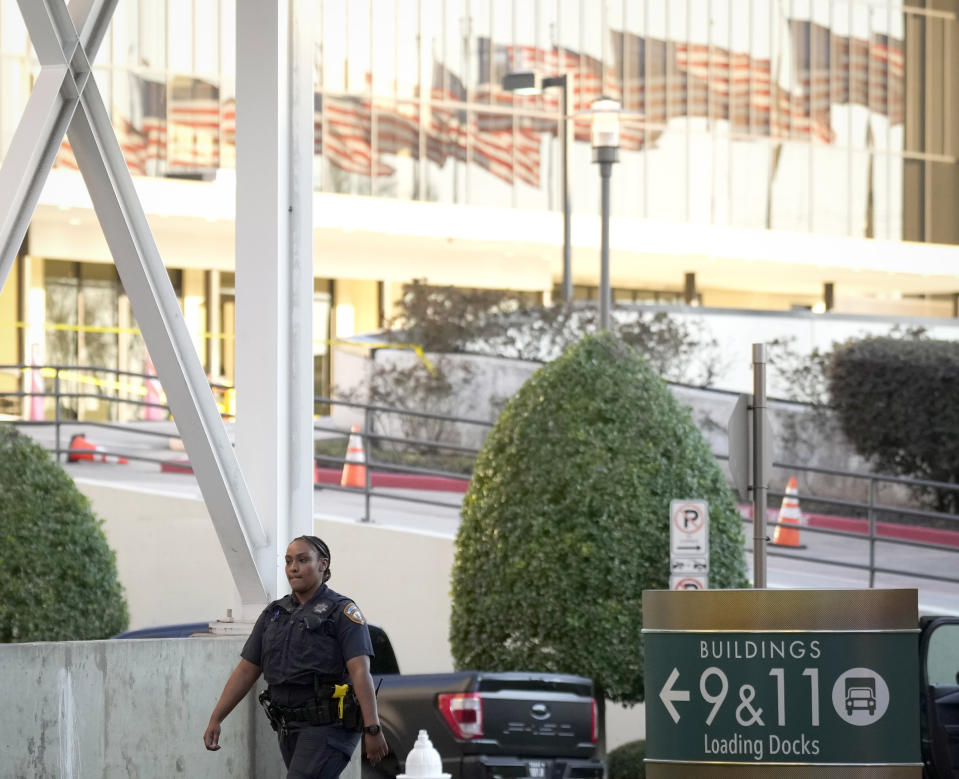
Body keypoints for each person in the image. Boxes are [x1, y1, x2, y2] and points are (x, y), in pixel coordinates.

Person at [203, 535, 389, 778]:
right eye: (289, 561)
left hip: (329, 727)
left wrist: (372, 728)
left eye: (302, 560)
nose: (293, 567)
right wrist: (216, 717)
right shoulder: (274, 613)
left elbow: (360, 672)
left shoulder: (341, 611)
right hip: (288, 726)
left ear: (322, 564)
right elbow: (246, 670)